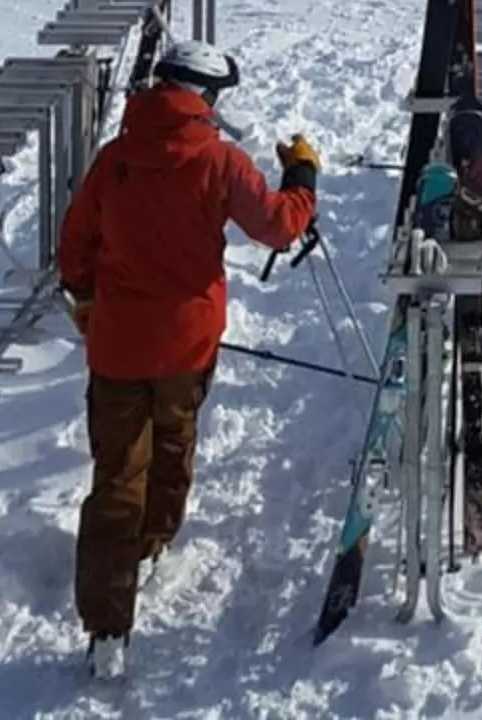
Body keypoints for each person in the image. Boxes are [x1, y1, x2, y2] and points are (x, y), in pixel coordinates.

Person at [58, 40, 319, 678]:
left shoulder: (116, 158)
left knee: (116, 474)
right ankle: (153, 541)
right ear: (204, 96)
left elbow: (75, 243)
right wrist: (303, 177)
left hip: (117, 345)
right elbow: (279, 226)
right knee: (174, 439)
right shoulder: (219, 160)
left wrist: (85, 297)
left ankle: (107, 630)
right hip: (187, 344)